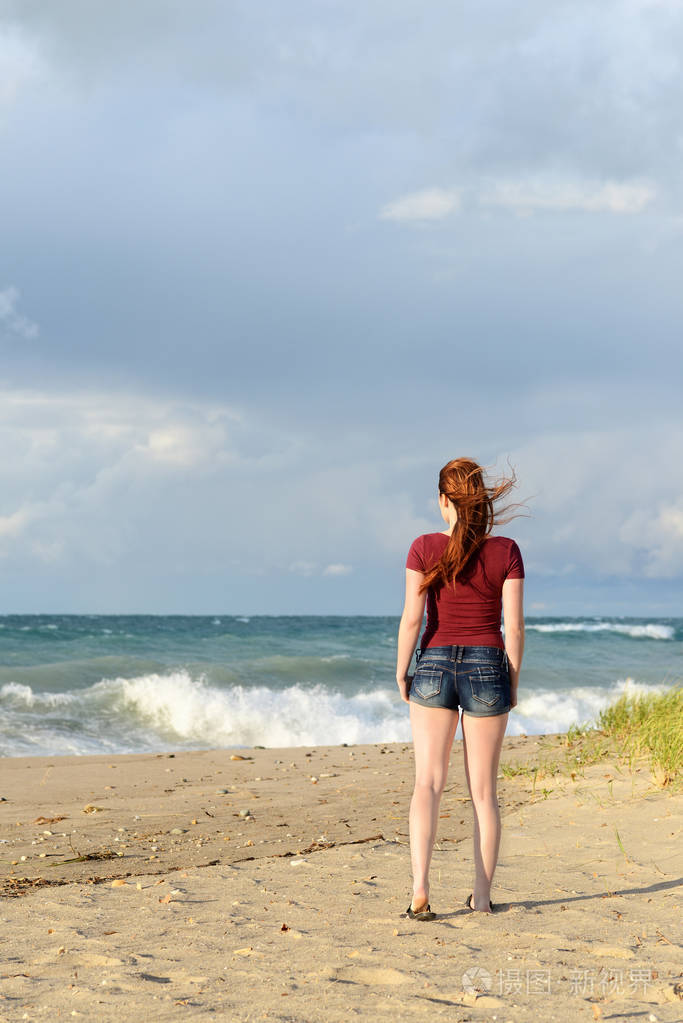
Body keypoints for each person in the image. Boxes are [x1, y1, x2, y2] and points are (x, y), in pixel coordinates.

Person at [396, 457, 525, 919]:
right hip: (488, 666)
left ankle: (420, 891)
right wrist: (511, 679)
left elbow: (412, 619)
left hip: (432, 665)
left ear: (444, 500)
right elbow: (514, 628)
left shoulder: (423, 547)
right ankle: (482, 898)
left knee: (427, 783)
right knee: (484, 793)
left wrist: (401, 670)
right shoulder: (506, 550)